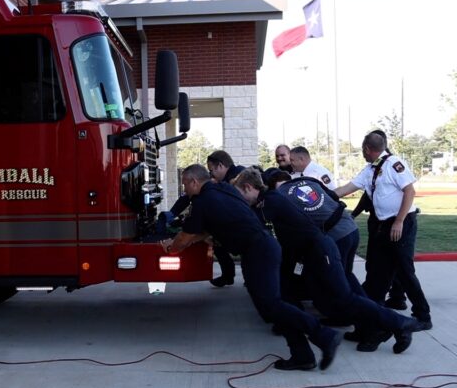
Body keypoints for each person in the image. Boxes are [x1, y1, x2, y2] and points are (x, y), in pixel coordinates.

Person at [161, 165, 341, 370]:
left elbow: (184, 238)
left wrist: (171, 246)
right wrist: (195, 239)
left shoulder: (202, 202)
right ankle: (302, 355)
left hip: (258, 251)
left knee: (272, 305)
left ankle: (324, 336)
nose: (184, 189)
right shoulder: (224, 190)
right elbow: (209, 229)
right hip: (263, 247)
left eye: (185, 184)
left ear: (194, 182)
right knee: (271, 306)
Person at [232, 169, 420, 353]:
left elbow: (250, 225)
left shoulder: (272, 199)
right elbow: (332, 197)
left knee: (343, 295)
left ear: (249, 187)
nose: (241, 200)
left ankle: (394, 324)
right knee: (347, 287)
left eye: (240, 194)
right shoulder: (306, 182)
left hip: (329, 240)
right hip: (347, 230)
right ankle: (377, 327)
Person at [334, 131, 433, 334]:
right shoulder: (370, 170)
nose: (362, 153)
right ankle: (373, 318)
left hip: (400, 225)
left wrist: (399, 221)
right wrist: (320, 196)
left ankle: (423, 316)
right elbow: (346, 189)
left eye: (363, 150)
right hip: (381, 226)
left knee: (405, 271)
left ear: (367, 149)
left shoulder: (394, 164)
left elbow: (410, 191)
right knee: (377, 271)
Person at [204, 150, 244, 287]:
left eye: (211, 170)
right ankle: (228, 275)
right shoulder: (225, 179)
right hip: (235, 221)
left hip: (246, 224)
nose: (211, 175)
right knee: (217, 241)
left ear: (221, 166)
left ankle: (249, 277)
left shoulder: (239, 175)